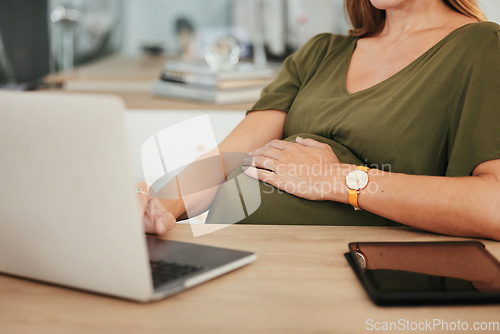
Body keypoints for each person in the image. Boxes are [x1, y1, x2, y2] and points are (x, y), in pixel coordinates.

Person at [138, 0, 500, 240]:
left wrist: (339, 179)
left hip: (337, 277)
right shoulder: (320, 53)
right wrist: (158, 208)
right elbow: (227, 158)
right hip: (232, 254)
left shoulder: (483, 48)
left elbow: (493, 206)